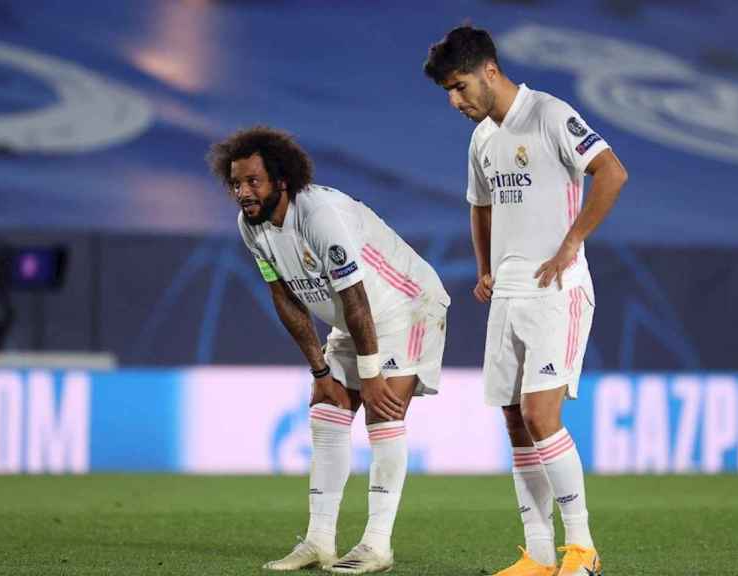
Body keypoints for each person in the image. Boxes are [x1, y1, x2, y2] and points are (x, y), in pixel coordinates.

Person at [424, 26, 628, 576]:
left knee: (542, 415)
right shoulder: (482, 138)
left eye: (461, 87)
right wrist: (487, 267)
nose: (455, 101)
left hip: (558, 291)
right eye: (448, 91)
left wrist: (571, 242)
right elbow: (480, 205)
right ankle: (538, 554)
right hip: (508, 294)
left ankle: (582, 550)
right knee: (515, 420)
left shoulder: (550, 114)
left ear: (489, 70)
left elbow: (612, 172)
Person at [206, 127, 450, 574]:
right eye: (236, 183)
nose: (243, 192)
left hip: (407, 306)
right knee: (326, 410)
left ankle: (377, 546)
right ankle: (319, 542)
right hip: (351, 319)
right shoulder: (251, 226)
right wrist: (320, 371)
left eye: (252, 181)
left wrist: (371, 374)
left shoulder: (319, 213)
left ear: (281, 179)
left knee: (384, 412)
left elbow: (357, 298)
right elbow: (284, 297)